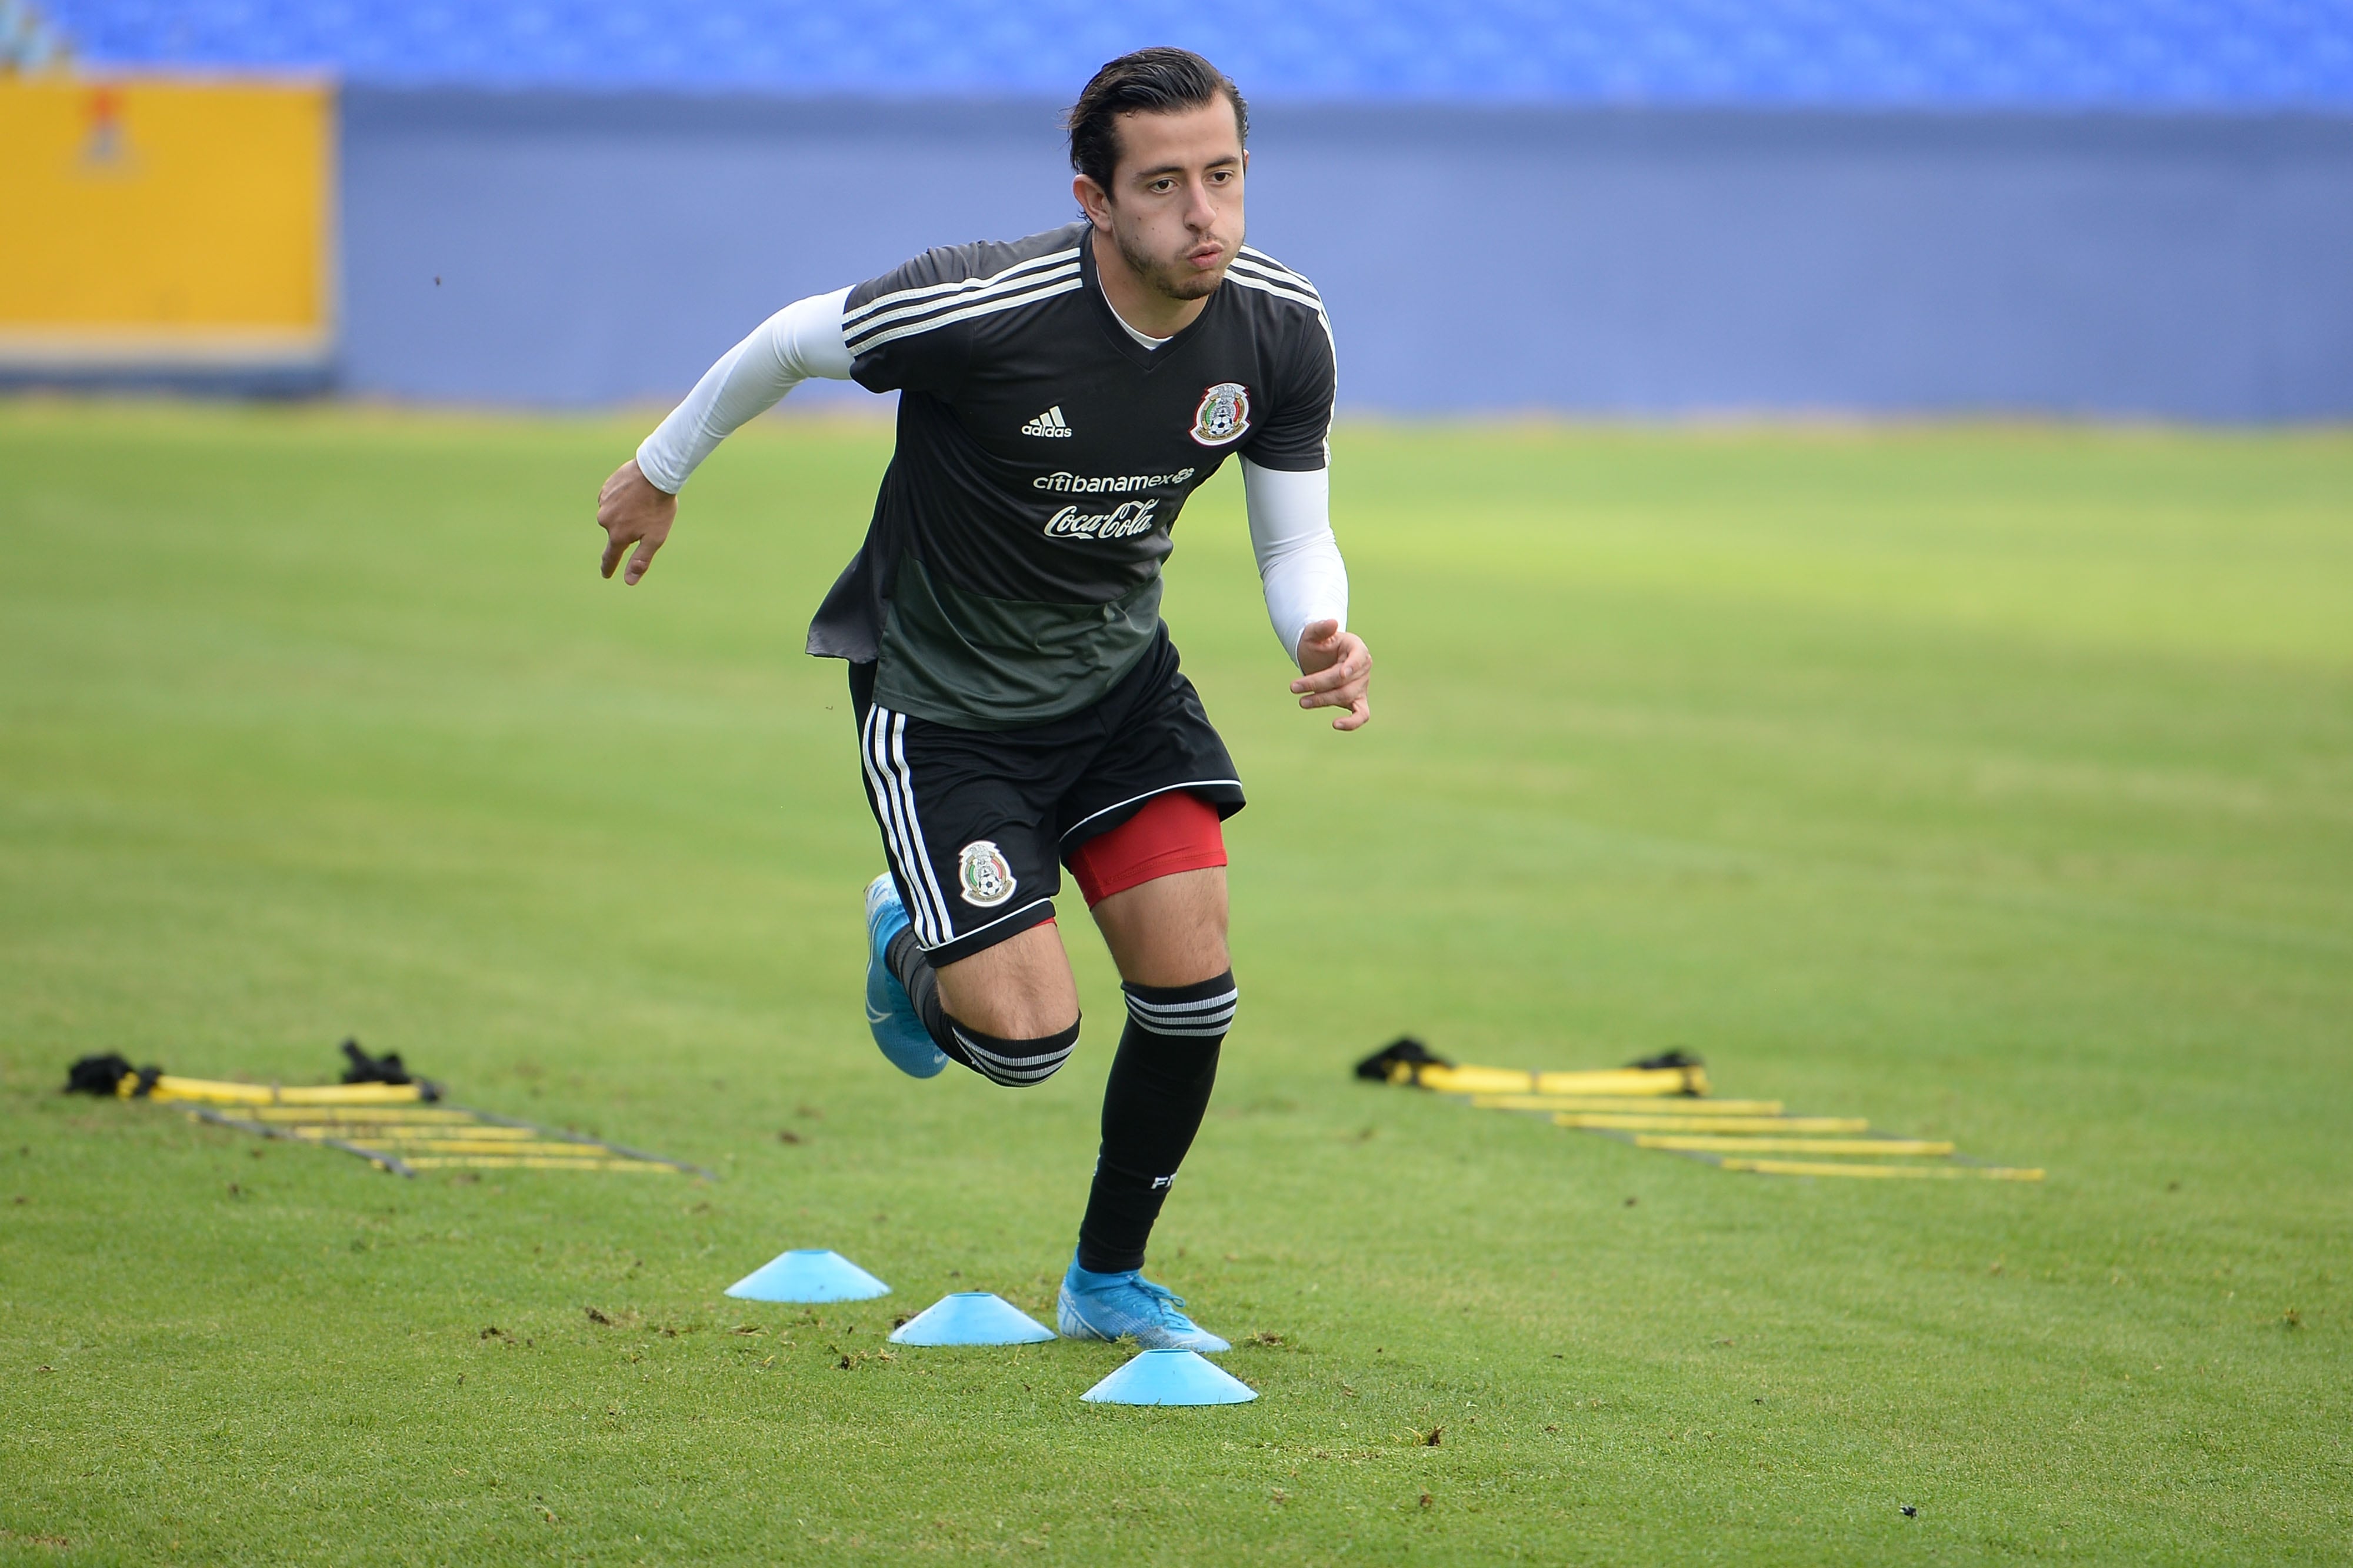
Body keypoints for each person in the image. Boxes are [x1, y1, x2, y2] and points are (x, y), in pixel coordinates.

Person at [593, 47, 1371, 1350]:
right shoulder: (981, 305)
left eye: (1225, 176)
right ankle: (907, 932)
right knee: (1023, 1046)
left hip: (1119, 689)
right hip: (943, 702)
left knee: (1193, 993)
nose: (1205, 215)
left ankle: (1106, 1280)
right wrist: (660, 468)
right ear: (1094, 200)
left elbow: (1294, 541)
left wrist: (1320, 633)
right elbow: (791, 339)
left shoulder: (1280, 327)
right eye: (1164, 184)